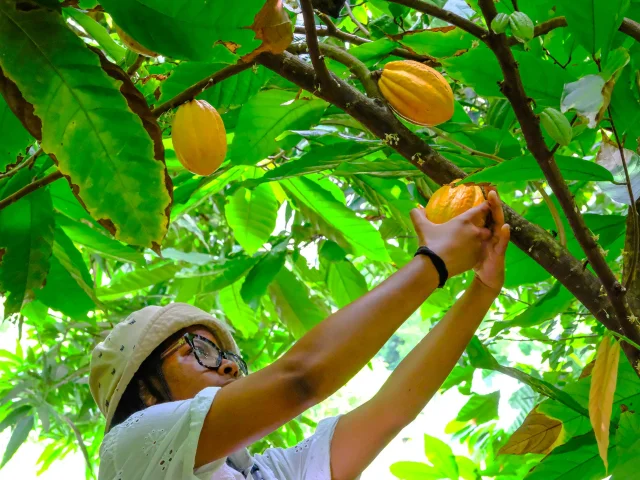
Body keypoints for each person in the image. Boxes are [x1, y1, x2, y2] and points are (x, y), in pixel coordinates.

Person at [89, 191, 510, 480]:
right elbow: (300, 380)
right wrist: (433, 262)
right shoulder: (129, 448)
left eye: (225, 355)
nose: (231, 365)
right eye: (199, 349)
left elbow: (391, 411)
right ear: (144, 392)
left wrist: (482, 289)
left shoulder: (265, 473)